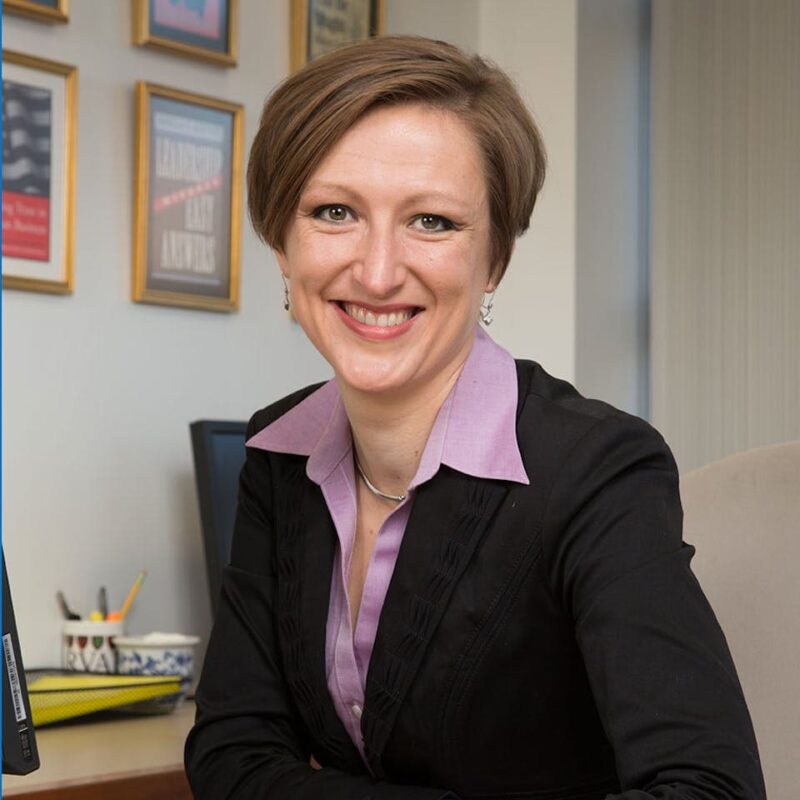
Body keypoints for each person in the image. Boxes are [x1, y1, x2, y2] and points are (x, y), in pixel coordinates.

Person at [185, 36, 765, 799]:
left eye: (432, 222)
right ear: (282, 247)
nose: (379, 270)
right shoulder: (279, 451)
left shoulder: (595, 470)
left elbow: (709, 788)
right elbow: (233, 754)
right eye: (334, 212)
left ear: (494, 259)